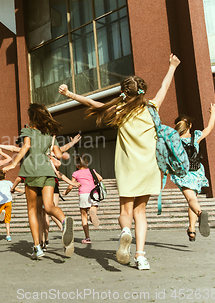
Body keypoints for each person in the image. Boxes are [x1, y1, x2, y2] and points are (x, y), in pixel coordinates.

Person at [59, 53, 181, 270]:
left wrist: (70, 94)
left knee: (125, 213)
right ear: (141, 92)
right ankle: (141, 257)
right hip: (149, 168)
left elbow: (92, 103)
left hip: (127, 169)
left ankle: (125, 233)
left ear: (124, 93)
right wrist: (172, 66)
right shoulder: (152, 107)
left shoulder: (120, 110)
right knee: (140, 213)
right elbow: (164, 86)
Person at [3, 103, 80, 259]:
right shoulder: (50, 135)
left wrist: (12, 164)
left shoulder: (27, 130)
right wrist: (67, 144)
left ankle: (37, 248)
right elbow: (58, 154)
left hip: (31, 172)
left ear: (32, 117)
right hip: (48, 173)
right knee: (50, 206)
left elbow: (25, 146)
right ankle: (64, 222)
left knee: (33, 210)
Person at [171, 103, 215, 241]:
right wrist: (213, 113)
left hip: (183, 174)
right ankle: (191, 229)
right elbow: (209, 128)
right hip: (196, 172)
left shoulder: (174, 140)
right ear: (189, 126)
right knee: (193, 199)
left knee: (191, 200)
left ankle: (200, 213)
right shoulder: (196, 136)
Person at [63, 155, 103, 244]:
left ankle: (87, 238)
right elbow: (100, 178)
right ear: (87, 163)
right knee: (92, 209)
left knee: (84, 216)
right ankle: (93, 214)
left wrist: (65, 192)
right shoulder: (91, 170)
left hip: (83, 194)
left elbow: (70, 185)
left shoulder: (76, 173)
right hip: (94, 193)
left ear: (77, 165)